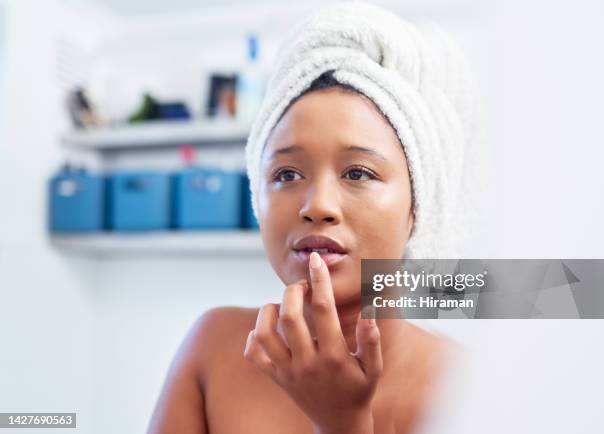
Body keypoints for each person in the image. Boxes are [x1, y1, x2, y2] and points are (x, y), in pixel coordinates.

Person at [148, 2, 478, 433]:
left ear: (418, 206)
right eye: (286, 174)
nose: (317, 205)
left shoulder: (464, 388)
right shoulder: (212, 349)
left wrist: (344, 423)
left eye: (358, 172)